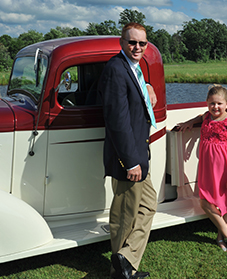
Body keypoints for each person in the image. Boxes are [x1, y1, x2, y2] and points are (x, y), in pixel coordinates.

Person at [98, 22, 158, 279]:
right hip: (129, 158)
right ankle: (119, 270)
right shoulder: (115, 69)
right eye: (132, 42)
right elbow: (117, 120)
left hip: (138, 154)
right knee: (125, 216)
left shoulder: (133, 67)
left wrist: (149, 87)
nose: (137, 47)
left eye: (142, 43)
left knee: (148, 205)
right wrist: (130, 161)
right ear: (122, 42)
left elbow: (135, 99)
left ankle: (126, 257)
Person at [178, 85, 227, 252]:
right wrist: (190, 122)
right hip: (208, 168)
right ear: (207, 103)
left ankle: (224, 235)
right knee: (207, 201)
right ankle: (226, 233)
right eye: (212, 104)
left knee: (223, 202)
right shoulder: (208, 117)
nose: (215, 107)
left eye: (219, 104)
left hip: (226, 169)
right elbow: (201, 116)